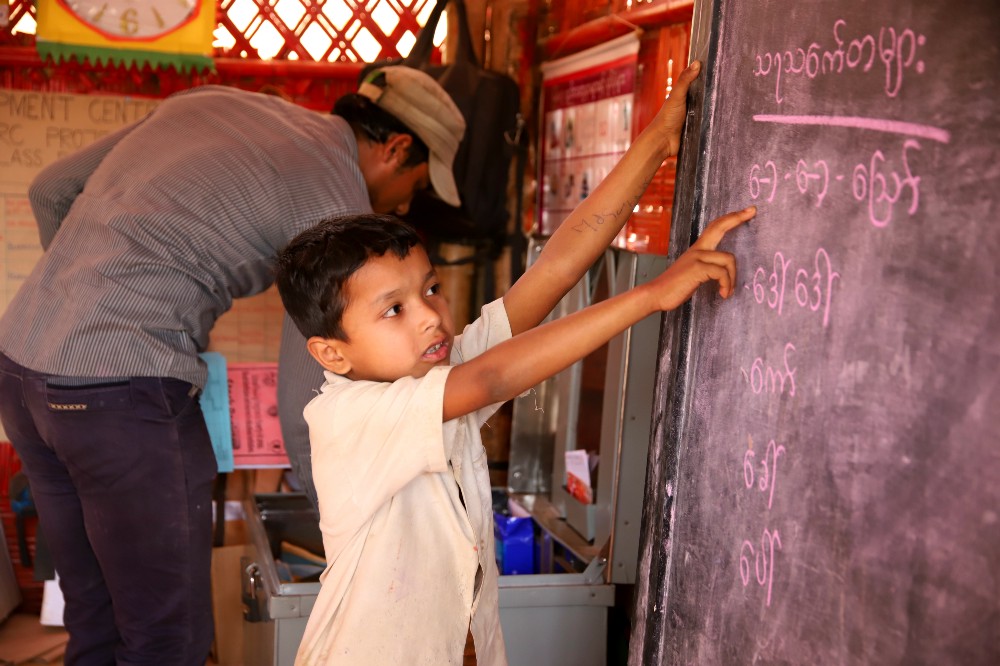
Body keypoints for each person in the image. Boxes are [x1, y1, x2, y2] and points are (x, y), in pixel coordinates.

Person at [274, 60, 757, 665]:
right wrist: (651, 296)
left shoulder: (436, 375)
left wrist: (659, 140)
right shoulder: (347, 416)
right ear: (331, 353)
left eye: (429, 289)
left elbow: (553, 270)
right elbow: (494, 377)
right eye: (393, 310)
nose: (429, 315)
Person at [0, 65, 464, 665]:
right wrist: (340, 524)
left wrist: (83, 307)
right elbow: (309, 399)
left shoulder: (213, 101)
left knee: (97, 619)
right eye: (416, 183)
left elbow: (52, 189)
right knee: (166, 639)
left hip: (19, 362)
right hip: (122, 392)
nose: (404, 203)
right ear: (396, 148)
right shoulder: (333, 193)